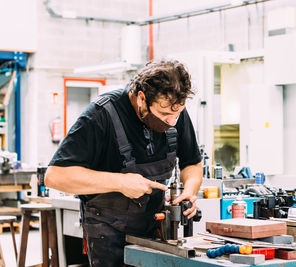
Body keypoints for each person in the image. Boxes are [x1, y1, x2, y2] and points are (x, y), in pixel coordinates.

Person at [45, 60, 202, 267]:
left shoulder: (173, 110)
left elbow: (192, 163)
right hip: (107, 232)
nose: (172, 122)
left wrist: (189, 191)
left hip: (155, 229)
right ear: (142, 98)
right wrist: (120, 182)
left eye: (177, 114)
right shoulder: (101, 115)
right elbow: (55, 176)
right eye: (164, 115)